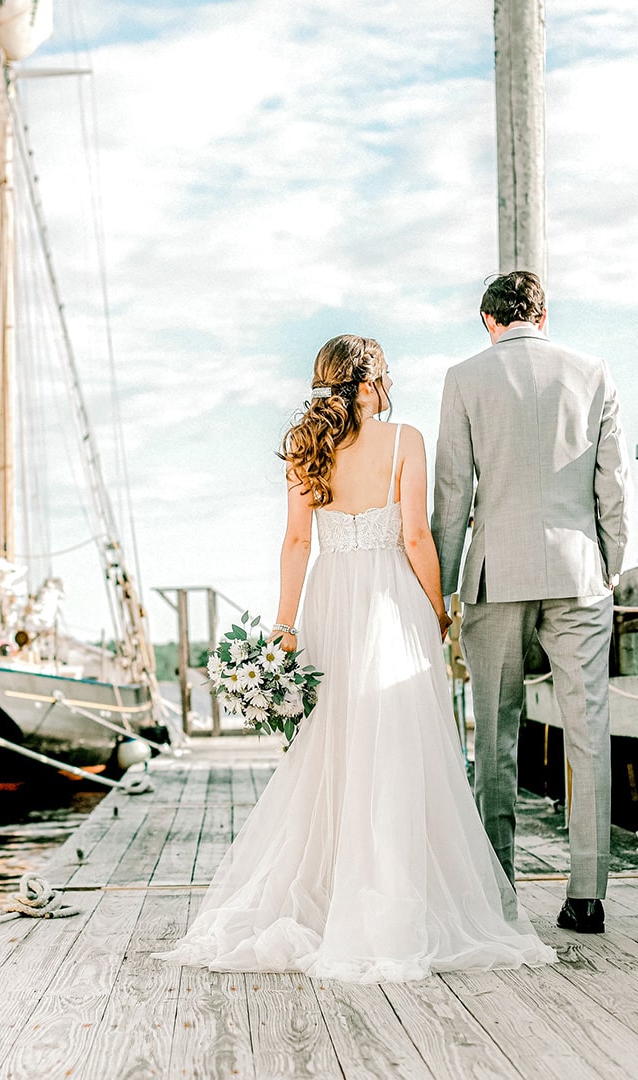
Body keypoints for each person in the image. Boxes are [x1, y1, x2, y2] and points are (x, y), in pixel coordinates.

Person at [159, 334, 555, 981]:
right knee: (398, 741)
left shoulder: (305, 445)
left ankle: (333, 888)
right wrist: (439, 609)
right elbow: (417, 536)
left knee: (336, 742)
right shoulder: (405, 441)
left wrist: (285, 628)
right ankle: (392, 888)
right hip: (390, 600)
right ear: (373, 383)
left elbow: (294, 542)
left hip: (329, 600)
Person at [432, 271, 631, 935]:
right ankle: (586, 897)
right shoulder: (593, 372)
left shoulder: (465, 378)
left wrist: (442, 586)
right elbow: (614, 485)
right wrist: (609, 566)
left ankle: (497, 895)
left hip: (497, 573)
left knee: (495, 736)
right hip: (579, 571)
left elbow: (453, 494)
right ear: (543, 314)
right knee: (588, 734)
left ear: (487, 320)